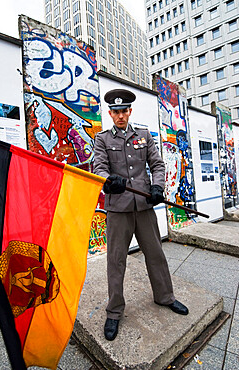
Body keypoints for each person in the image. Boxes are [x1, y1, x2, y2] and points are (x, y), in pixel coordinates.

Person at [94, 89, 188, 341]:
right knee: (116, 261)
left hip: (145, 205)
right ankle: (114, 312)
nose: (121, 116)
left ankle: (165, 297)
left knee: (156, 254)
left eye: (124, 111)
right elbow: (99, 167)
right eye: (116, 112)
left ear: (129, 112)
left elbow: (157, 164)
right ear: (110, 114)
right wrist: (107, 181)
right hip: (118, 209)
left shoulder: (144, 136)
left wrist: (158, 187)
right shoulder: (102, 139)